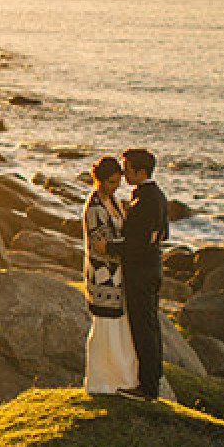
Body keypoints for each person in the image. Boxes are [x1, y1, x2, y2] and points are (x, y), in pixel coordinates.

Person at [82, 155, 137, 395]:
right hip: (103, 275)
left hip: (117, 274)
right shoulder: (94, 207)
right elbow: (100, 244)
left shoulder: (113, 201)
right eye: (112, 182)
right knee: (105, 327)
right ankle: (101, 380)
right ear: (101, 181)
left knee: (118, 326)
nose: (117, 186)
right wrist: (129, 248)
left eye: (118, 181)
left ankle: (120, 378)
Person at [117, 147, 169, 401]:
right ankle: (152, 380)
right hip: (153, 268)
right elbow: (162, 233)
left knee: (143, 329)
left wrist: (110, 246)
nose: (123, 173)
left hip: (141, 271)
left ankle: (147, 388)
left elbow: (135, 243)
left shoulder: (146, 200)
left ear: (140, 171)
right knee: (150, 326)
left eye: (127, 169)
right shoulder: (157, 195)